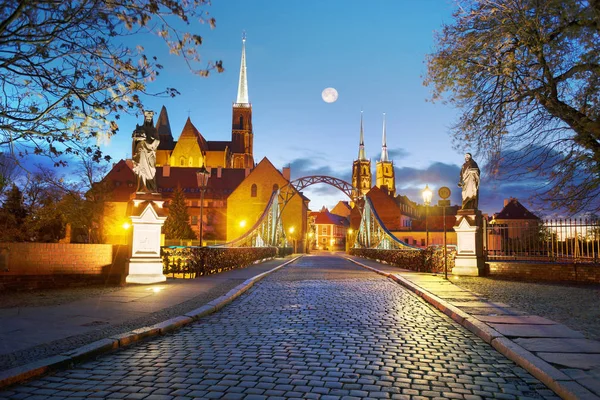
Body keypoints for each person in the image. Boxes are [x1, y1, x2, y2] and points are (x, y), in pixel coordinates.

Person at [132, 110, 160, 193]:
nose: (148, 119)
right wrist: (138, 138)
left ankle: (151, 188)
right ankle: (141, 187)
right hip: (142, 152)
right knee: (141, 169)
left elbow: (157, 141)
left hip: (151, 153)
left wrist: (151, 141)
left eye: (150, 118)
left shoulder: (154, 130)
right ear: (144, 118)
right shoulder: (140, 128)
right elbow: (135, 140)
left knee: (151, 170)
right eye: (147, 118)